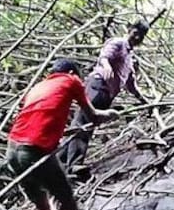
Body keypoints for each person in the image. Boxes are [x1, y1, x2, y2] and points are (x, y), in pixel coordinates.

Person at [6, 59, 118, 210]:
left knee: (43, 207)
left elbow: (39, 116)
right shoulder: (71, 80)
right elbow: (94, 116)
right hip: (34, 151)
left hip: (12, 150)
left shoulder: (37, 88)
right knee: (69, 208)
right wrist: (111, 115)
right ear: (71, 73)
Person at [60, 21, 150, 170]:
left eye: (140, 36)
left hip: (107, 94)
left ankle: (61, 162)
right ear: (129, 30)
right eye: (135, 33)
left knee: (87, 123)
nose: (137, 37)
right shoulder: (118, 43)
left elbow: (130, 84)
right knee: (84, 123)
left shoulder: (130, 58)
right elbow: (104, 56)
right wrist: (106, 66)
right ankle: (74, 165)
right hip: (98, 85)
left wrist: (144, 101)